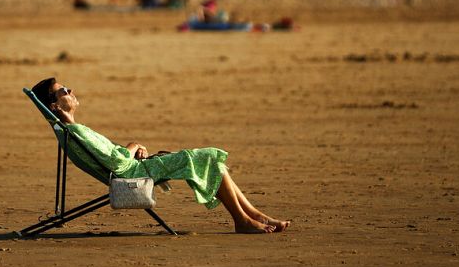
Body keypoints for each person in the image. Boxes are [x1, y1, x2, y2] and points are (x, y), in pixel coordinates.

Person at [31, 78, 290, 234]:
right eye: (64, 90)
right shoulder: (76, 132)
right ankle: (242, 220)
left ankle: (252, 215)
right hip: (136, 174)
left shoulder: (71, 131)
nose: (71, 91)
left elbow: (112, 158)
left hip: (136, 167)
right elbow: (117, 162)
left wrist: (132, 153)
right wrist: (133, 145)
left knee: (210, 160)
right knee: (209, 156)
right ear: (54, 105)